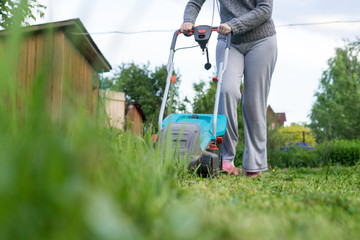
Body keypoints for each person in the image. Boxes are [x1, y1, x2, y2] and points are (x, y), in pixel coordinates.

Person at [181, 0, 277, 177]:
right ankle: (226, 159)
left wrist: (233, 24)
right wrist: (189, 20)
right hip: (228, 41)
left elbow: (265, 9)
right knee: (227, 91)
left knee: (253, 103)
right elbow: (194, 3)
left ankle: (253, 166)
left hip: (261, 41)